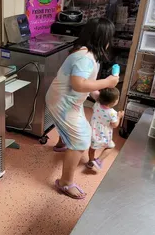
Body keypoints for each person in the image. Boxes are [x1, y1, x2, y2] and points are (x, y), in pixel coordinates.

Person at [45, 18, 119, 199]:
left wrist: (97, 95)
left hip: (67, 100)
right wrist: (108, 82)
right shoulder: (84, 58)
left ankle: (62, 143)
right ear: (103, 39)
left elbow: (85, 82)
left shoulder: (86, 53)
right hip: (63, 103)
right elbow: (79, 84)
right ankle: (65, 183)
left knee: (81, 128)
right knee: (81, 141)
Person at [86, 88, 124, 170]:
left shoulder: (96, 104)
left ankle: (90, 162)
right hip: (103, 132)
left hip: (93, 130)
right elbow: (115, 125)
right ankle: (98, 161)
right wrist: (119, 117)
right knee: (110, 147)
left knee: (92, 148)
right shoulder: (112, 113)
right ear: (114, 102)